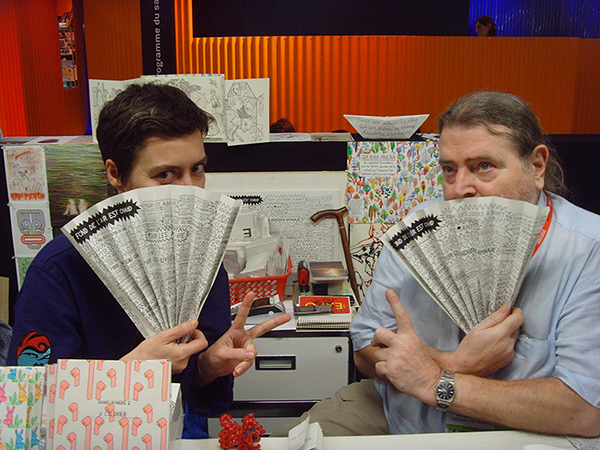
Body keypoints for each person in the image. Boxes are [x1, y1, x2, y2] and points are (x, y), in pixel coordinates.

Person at [274, 91, 600, 438]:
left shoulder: (588, 250)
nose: (460, 189)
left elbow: (583, 411)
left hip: (518, 431)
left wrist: (435, 381)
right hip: (398, 413)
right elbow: (364, 349)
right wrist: (456, 364)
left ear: (536, 166)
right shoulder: (418, 228)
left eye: (483, 166)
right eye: (449, 169)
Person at [7, 83, 290, 437]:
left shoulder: (201, 257)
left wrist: (208, 367)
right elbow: (28, 412)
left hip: (179, 430)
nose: (189, 191)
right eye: (165, 175)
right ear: (115, 174)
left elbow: (195, 394)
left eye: (197, 169)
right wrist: (132, 371)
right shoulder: (58, 271)